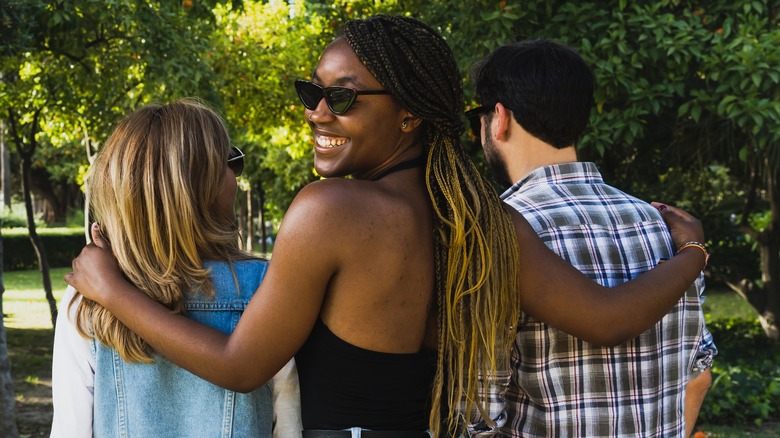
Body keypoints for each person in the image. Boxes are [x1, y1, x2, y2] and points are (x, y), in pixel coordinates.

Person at [64, 15, 708, 437]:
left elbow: (241, 364)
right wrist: (690, 254)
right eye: (309, 91)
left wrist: (110, 290)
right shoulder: (480, 220)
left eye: (341, 97)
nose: (317, 111)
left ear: (408, 116)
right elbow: (609, 317)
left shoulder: (331, 211)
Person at [468, 39, 717, 437]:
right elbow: (697, 377)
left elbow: (478, 414)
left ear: (499, 118)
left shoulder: (499, 233)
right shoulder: (668, 229)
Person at [50, 100, 301, 438]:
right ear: (199, 188)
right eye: (232, 162)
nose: (237, 178)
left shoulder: (87, 298)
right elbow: (287, 427)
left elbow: (71, 430)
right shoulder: (266, 288)